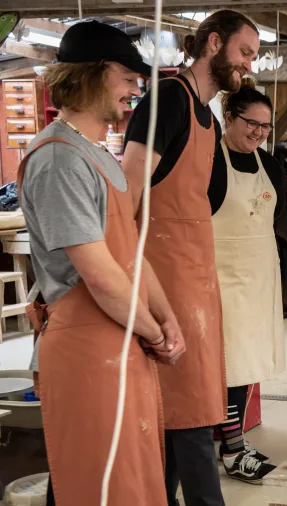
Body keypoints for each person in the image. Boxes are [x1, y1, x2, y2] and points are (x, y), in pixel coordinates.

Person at [19, 20, 185, 505]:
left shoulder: (98, 156)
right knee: (97, 482)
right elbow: (98, 272)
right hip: (88, 346)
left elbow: (129, 251)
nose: (137, 90)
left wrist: (166, 315)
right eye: (128, 77)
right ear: (90, 74)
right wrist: (154, 332)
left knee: (130, 478)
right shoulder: (57, 159)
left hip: (120, 336)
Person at [121, 10, 259, 506]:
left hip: (197, 278)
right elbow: (126, 197)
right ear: (213, 43)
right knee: (193, 416)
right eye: (244, 53)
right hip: (165, 278)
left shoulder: (209, 115)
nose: (248, 65)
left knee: (192, 410)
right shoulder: (168, 100)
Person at [211, 79, 287, 484]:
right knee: (230, 367)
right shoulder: (208, 161)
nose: (259, 132)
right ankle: (232, 450)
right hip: (221, 276)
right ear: (228, 118)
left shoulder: (269, 164)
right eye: (251, 123)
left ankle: (233, 440)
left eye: (265, 126)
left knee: (248, 364)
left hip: (259, 274)